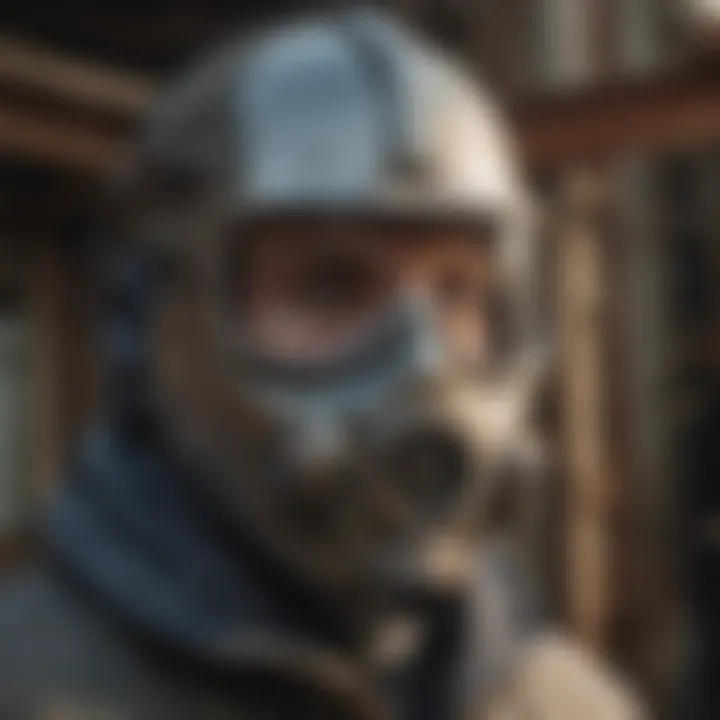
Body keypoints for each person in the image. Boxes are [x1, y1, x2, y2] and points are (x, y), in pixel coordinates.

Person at [0, 8, 643, 719]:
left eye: (460, 290)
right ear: (155, 324)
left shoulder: (564, 702)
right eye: (329, 285)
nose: (424, 367)